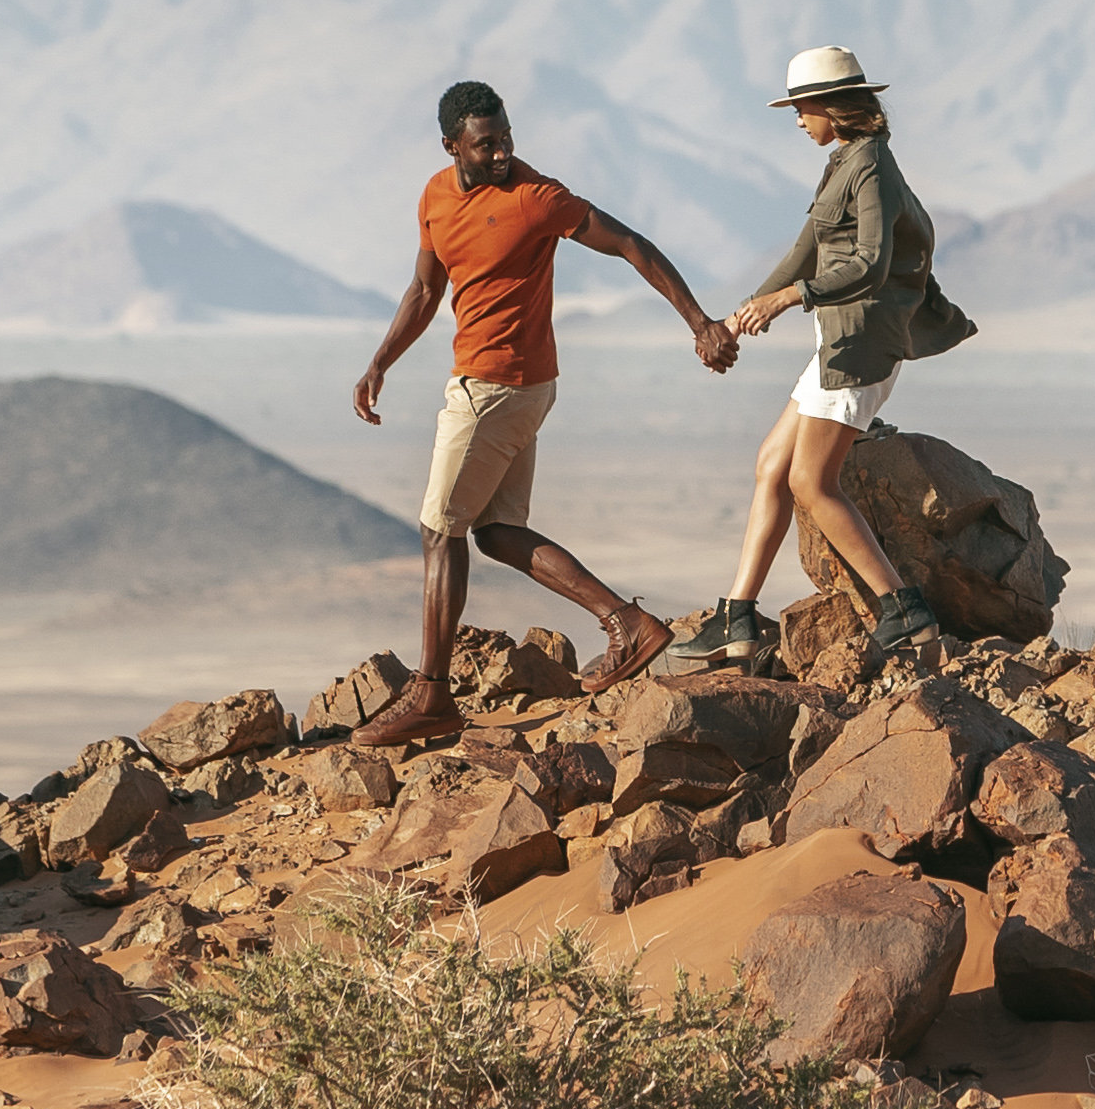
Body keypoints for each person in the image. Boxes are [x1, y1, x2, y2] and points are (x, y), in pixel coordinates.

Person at [348, 76, 739, 742]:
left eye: (506, 139)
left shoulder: (536, 197)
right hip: (501, 386)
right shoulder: (436, 198)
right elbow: (424, 288)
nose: (501, 154)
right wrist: (381, 361)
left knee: (440, 532)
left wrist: (699, 321)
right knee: (496, 531)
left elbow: (631, 244)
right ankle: (629, 623)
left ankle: (432, 695)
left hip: (498, 387)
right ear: (453, 147)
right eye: (486, 145)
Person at [662, 43, 973, 668]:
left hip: (862, 344)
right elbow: (806, 249)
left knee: (810, 480)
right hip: (836, 340)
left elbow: (871, 264)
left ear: (833, 105)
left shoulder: (874, 168)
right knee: (771, 464)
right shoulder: (842, 164)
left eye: (803, 107)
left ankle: (903, 610)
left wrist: (788, 300)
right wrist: (736, 315)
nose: (799, 120)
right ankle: (739, 617)